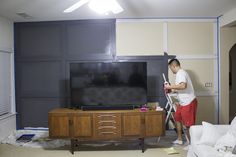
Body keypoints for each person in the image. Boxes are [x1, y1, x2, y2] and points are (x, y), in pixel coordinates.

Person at [164, 58, 197, 145]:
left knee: (188, 125)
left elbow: (183, 86)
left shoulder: (181, 73)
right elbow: (179, 88)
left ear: (173, 66)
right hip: (183, 103)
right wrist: (171, 89)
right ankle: (179, 139)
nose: (171, 70)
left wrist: (169, 87)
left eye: (170, 68)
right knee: (177, 118)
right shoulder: (180, 74)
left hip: (189, 102)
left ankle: (191, 144)